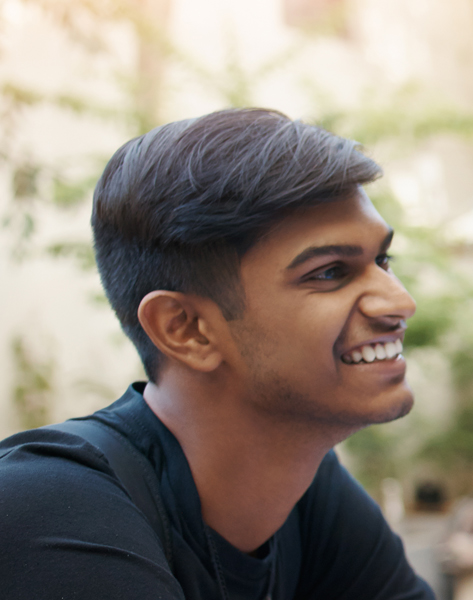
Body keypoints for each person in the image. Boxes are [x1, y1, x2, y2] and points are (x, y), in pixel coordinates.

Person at [0, 108, 433, 599]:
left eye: (383, 260)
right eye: (330, 272)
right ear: (186, 329)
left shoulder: (307, 495)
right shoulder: (52, 508)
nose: (400, 302)